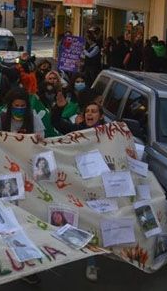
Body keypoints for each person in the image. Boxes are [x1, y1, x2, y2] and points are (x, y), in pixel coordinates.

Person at [50, 99, 105, 282]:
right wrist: (59, 107)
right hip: (75, 184)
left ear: (101, 116)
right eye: (87, 110)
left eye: (94, 111)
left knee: (92, 222)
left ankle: (91, 263)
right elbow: (56, 122)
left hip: (97, 185)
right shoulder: (75, 131)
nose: (90, 114)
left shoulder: (107, 134)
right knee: (77, 220)